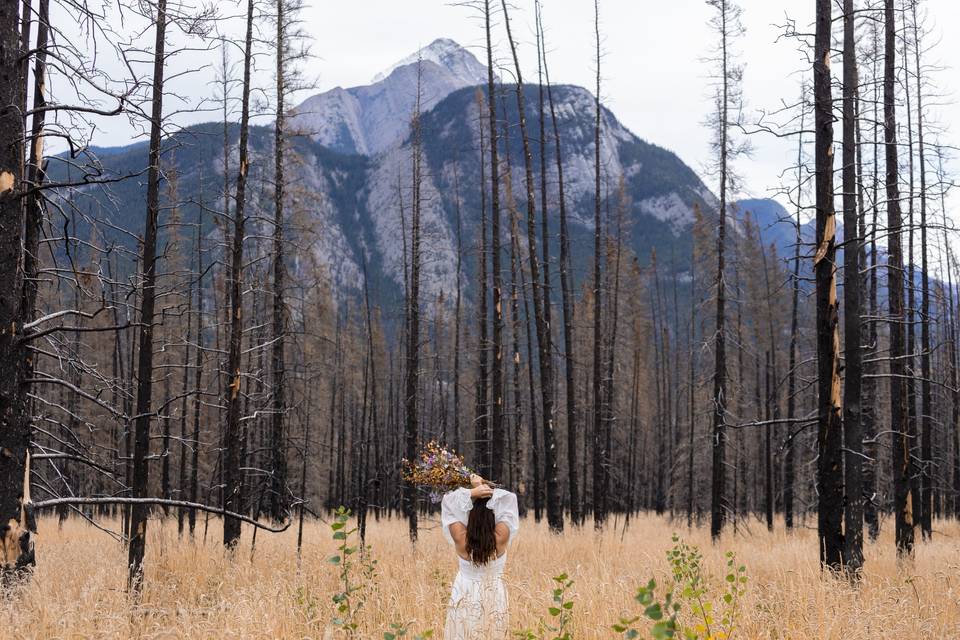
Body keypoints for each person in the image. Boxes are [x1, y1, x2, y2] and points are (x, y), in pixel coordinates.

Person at [440, 473, 519, 640]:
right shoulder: (501, 537)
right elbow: (510, 499)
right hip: (493, 591)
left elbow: (447, 502)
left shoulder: (461, 538)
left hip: (464, 592)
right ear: (495, 516)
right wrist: (488, 490)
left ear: (469, 516)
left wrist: (472, 492)